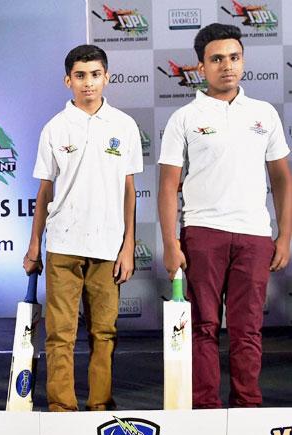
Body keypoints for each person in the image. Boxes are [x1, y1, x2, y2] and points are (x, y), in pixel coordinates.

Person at [158, 23, 292, 408]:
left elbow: (281, 179)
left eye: (234, 58)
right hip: (202, 233)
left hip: (253, 235)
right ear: (201, 67)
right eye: (217, 59)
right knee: (202, 327)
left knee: (248, 330)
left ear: (242, 61)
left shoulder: (263, 114)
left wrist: (283, 236)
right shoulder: (185, 117)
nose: (227, 66)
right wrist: (171, 243)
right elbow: (168, 185)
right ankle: (205, 410)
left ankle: (247, 408)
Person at [23, 45, 142, 411]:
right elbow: (44, 191)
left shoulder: (124, 125)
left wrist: (128, 247)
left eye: (94, 75)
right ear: (68, 80)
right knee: (60, 334)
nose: (87, 83)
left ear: (106, 77)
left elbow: (129, 190)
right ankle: (62, 408)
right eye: (80, 76)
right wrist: (33, 245)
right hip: (63, 244)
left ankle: (100, 406)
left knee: (104, 333)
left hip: (108, 246)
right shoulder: (55, 128)